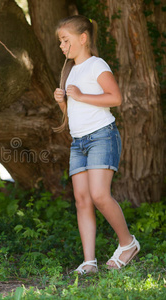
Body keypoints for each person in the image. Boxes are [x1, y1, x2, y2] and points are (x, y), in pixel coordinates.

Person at [53, 15, 140, 274]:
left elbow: (115, 97)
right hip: (78, 142)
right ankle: (89, 261)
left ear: (83, 38)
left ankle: (128, 244)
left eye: (65, 40)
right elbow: (72, 112)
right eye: (60, 41)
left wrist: (80, 95)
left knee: (99, 195)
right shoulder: (70, 72)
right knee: (82, 200)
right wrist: (62, 101)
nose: (61, 46)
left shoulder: (96, 64)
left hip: (101, 136)